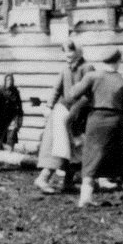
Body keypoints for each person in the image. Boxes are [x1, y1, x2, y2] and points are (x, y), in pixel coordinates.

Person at [62, 48, 123, 208]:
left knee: (91, 159)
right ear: (118, 62)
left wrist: (88, 95)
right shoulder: (122, 82)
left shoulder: (92, 76)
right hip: (116, 122)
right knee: (122, 158)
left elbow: (72, 94)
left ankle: (85, 198)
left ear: (103, 62)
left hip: (96, 121)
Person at [34, 41, 92, 193]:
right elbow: (56, 89)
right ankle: (43, 178)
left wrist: (78, 110)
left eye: (71, 54)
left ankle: (68, 182)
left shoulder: (87, 68)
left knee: (77, 149)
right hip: (63, 113)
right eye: (66, 55)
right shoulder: (64, 69)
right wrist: (48, 106)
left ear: (78, 53)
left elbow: (89, 92)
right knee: (61, 147)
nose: (68, 58)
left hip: (79, 114)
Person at [2, 73, 23, 152]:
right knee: (2, 137)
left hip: (13, 118)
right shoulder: (2, 91)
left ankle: (10, 152)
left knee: (12, 136)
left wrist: (20, 119)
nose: (9, 82)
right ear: (5, 81)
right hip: (3, 118)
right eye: (8, 80)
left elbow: (19, 106)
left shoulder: (15, 92)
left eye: (11, 80)